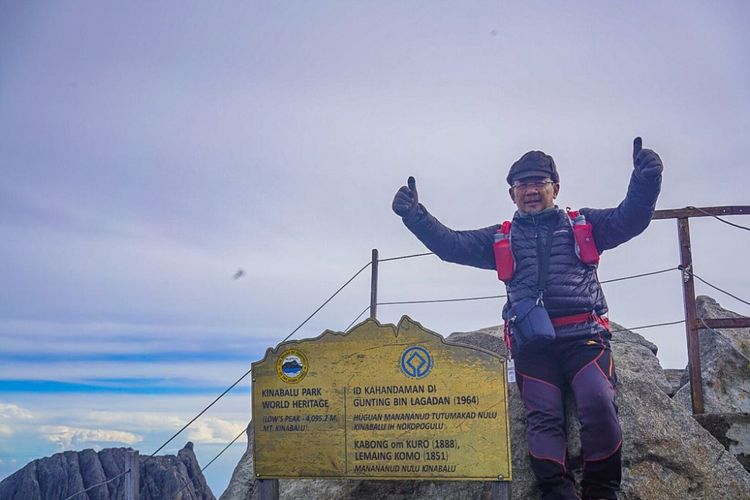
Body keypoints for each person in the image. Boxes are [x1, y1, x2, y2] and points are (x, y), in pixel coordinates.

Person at [391, 138, 663, 500]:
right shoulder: (499, 237)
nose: (531, 191)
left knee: (598, 402)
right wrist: (416, 216)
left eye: (539, 183)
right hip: (532, 346)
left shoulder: (585, 224)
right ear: (512, 194)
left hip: (585, 340)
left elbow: (630, 218)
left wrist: (645, 181)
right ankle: (557, 493)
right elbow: (450, 245)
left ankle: (602, 491)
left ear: (556, 188)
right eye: (523, 185)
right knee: (543, 419)